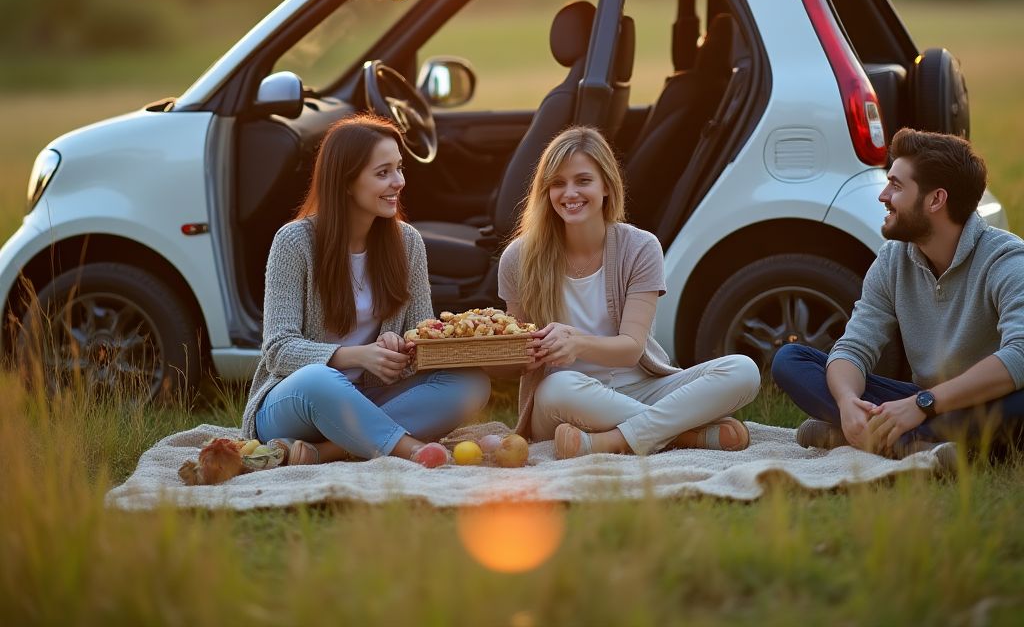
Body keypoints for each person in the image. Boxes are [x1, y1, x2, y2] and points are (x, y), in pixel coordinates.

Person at [241, 114, 490, 467]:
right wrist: (359, 355)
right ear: (346, 182)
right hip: (297, 401)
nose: (398, 182)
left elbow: (423, 337)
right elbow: (278, 350)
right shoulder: (293, 242)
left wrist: (401, 345)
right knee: (319, 379)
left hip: (373, 396)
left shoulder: (408, 243)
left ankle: (332, 449)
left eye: (399, 169)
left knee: (472, 383)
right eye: (383, 173)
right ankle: (410, 449)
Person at [498, 125, 761, 459]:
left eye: (583, 180)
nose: (570, 193)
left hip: (642, 387)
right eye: (558, 183)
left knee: (743, 370)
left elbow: (631, 349)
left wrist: (577, 342)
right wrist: (518, 356)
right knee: (556, 388)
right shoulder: (519, 258)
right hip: (568, 397)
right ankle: (684, 434)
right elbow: (512, 361)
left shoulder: (640, 247)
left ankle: (613, 440)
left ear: (607, 186)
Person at [772, 128, 1024, 463]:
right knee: (791, 360)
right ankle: (913, 441)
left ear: (936, 200)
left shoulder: (1007, 259)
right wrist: (847, 403)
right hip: (921, 401)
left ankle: (870, 437)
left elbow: (1020, 354)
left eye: (896, 185)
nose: (883, 195)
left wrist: (923, 405)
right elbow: (853, 348)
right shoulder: (893, 259)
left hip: (986, 400)